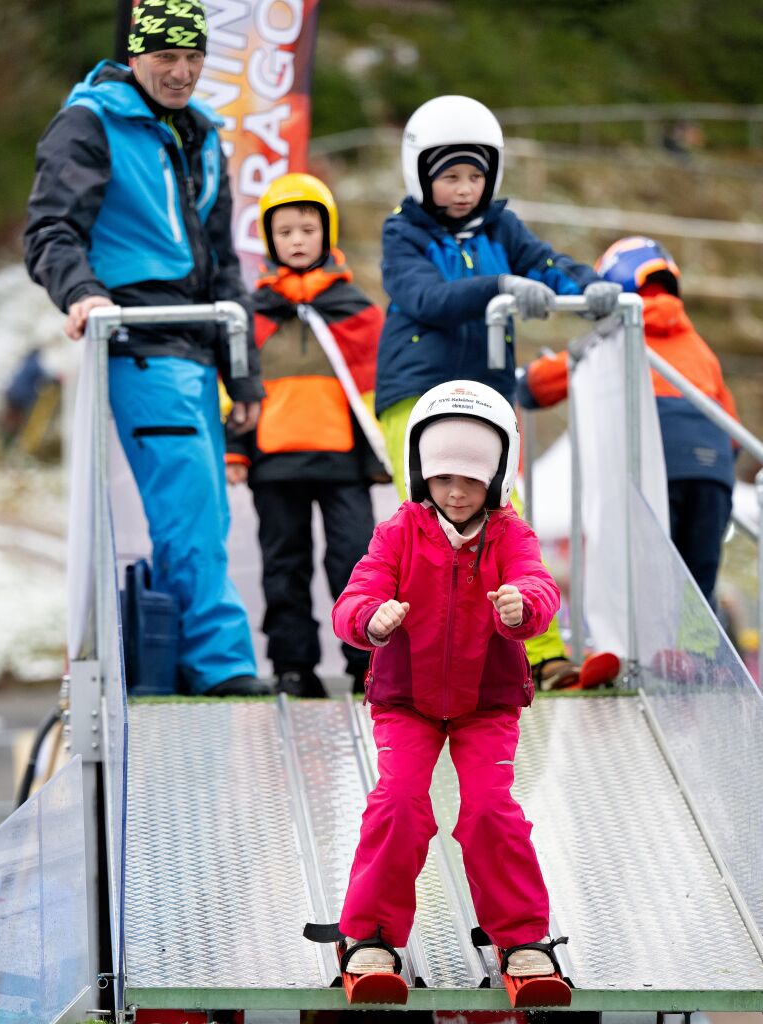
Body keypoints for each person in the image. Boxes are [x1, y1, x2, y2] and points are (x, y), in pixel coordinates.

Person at [23, 0, 268, 696]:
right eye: (166, 58)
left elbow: (224, 266)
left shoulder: (202, 134)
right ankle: (223, 670)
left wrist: (243, 375)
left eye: (193, 58)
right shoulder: (90, 122)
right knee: (189, 508)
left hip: (198, 342)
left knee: (209, 516)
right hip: (137, 339)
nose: (182, 72)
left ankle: (180, 663)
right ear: (134, 55)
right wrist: (83, 295)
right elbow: (51, 230)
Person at [374, 94, 622, 690]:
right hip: (419, 394)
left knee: (506, 523)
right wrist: (500, 286)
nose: (463, 189)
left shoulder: (501, 228)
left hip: (485, 398)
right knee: (432, 530)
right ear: (422, 176)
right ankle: (430, 660)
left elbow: (546, 264)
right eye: (450, 175)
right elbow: (425, 298)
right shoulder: (402, 233)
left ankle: (539, 652)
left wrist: (592, 289)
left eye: (475, 175)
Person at [331, 379, 562, 977]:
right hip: (406, 701)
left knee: (489, 809)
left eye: (471, 479)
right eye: (442, 478)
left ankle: (521, 940)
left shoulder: (511, 533)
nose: (456, 493)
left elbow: (539, 582)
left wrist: (524, 606)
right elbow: (354, 597)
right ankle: (371, 936)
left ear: (498, 476)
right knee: (401, 804)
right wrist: (370, 620)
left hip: (486, 704)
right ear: (419, 472)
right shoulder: (400, 531)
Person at [225, 173, 388, 698]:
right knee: (283, 568)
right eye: (286, 231)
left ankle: (368, 666)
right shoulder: (250, 315)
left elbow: (379, 388)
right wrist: (234, 449)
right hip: (273, 464)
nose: (297, 240)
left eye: (308, 229)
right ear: (270, 240)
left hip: (343, 462)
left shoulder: (358, 310)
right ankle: (294, 668)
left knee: (356, 564)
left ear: (327, 233)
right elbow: (232, 391)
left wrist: (386, 453)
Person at [517, 236, 739, 610]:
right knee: (699, 586)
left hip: (655, 451)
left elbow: (539, 386)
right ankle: (702, 663)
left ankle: (646, 663)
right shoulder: (701, 349)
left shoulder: (619, 332)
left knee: (645, 578)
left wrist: (525, 377)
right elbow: (730, 424)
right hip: (713, 464)